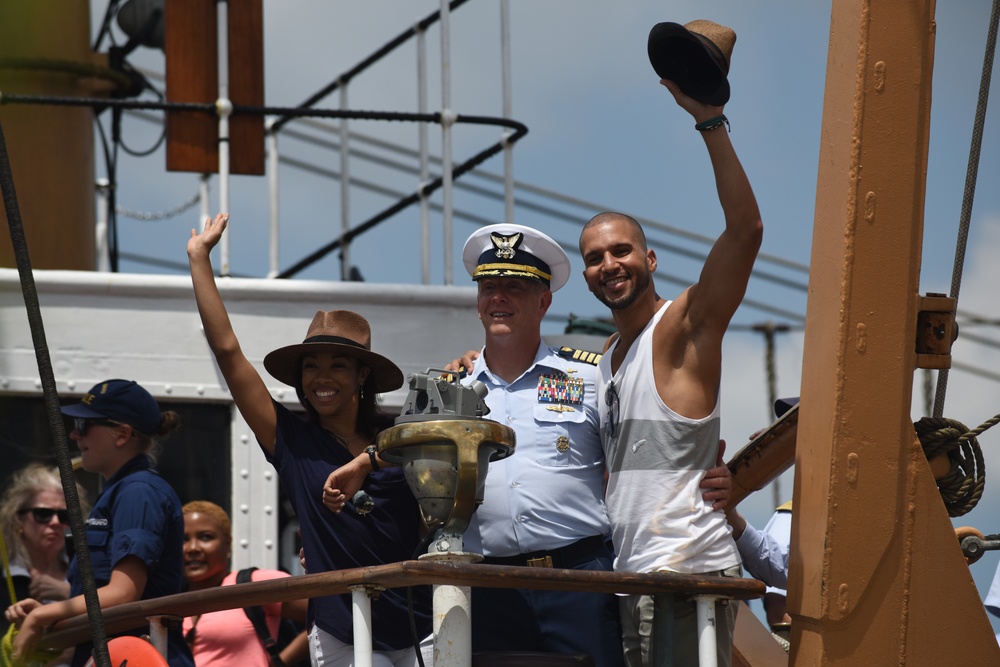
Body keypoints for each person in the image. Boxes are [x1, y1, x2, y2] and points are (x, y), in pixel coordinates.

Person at [446, 223, 733, 666]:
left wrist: (712, 475)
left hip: (581, 582)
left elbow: (643, 444)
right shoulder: (450, 389)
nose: (498, 297)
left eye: (514, 287)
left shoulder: (590, 375)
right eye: (488, 287)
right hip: (490, 586)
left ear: (543, 301)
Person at [578, 19, 763, 667]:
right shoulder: (606, 358)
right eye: (596, 257)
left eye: (621, 249)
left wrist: (709, 121)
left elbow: (745, 232)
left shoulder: (683, 327)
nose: (610, 263)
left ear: (650, 256)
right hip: (637, 578)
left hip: (688, 575)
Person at [187, 213, 431, 667]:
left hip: (422, 624)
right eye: (311, 365)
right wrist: (199, 258)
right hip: (343, 627)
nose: (321, 377)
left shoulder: (399, 438)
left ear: (362, 375)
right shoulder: (291, 441)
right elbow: (227, 352)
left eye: (338, 364)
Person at [4, 380, 195, 667]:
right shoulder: (123, 491)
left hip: (138, 656)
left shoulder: (138, 492)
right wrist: (55, 611)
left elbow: (122, 593)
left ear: (121, 434)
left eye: (83, 424)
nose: (74, 434)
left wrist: (41, 616)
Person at [181, 500, 309, 667]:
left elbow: (326, 614)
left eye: (205, 537)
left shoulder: (251, 583)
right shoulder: (170, 601)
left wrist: (279, 662)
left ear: (227, 545)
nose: (192, 548)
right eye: (183, 539)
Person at [0, 463, 83, 637]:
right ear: (18, 520)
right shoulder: (5, 577)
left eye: (64, 516)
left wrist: (68, 593)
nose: (55, 522)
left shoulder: (84, 569)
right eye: (43, 514)